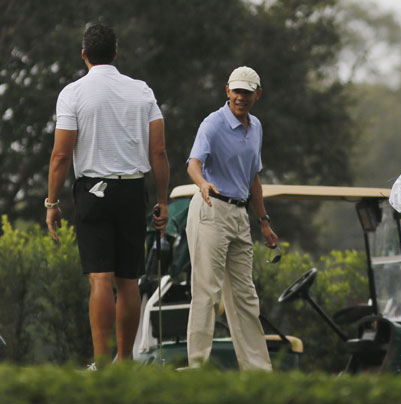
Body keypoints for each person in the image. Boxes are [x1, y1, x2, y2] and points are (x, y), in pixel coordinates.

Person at [45, 24, 170, 367]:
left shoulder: (73, 93)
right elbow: (158, 152)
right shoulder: (142, 90)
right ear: (116, 54)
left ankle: (101, 365)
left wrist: (52, 203)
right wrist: (162, 201)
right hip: (132, 189)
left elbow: (60, 155)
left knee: (101, 278)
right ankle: (124, 363)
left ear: (83, 54)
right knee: (128, 281)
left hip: (94, 191)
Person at [185, 66, 277, 370]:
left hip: (239, 214)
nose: (241, 97)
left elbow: (253, 178)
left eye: (247, 93)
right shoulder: (212, 124)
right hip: (211, 208)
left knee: (245, 297)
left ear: (257, 95)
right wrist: (202, 183)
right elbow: (194, 163)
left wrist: (263, 221)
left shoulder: (257, 127)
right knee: (207, 293)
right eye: (236, 91)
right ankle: (198, 368)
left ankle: (258, 373)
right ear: (227, 91)